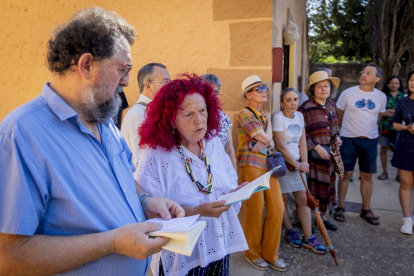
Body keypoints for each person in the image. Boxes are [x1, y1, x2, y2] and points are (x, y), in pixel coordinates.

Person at [0, 8, 185, 276]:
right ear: (87, 65)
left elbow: (123, 179)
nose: (125, 82)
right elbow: (8, 258)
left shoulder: (104, 121)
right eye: (123, 70)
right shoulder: (21, 135)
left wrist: (145, 200)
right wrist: (113, 243)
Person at [136, 74, 248, 276]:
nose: (199, 121)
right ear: (170, 119)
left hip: (219, 244)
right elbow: (149, 213)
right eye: (188, 115)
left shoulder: (212, 142)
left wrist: (233, 193)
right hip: (182, 257)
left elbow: (229, 178)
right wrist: (197, 210)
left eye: (203, 111)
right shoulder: (155, 155)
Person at [236, 75, 286, 271]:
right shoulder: (244, 114)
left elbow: (268, 138)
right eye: (258, 89)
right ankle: (253, 253)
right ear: (248, 94)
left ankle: (270, 254)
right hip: (252, 164)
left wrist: (267, 138)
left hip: (268, 164)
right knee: (256, 210)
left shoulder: (265, 114)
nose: (264, 90)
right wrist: (267, 138)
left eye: (264, 87)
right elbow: (266, 137)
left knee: (277, 209)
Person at [273, 87, 326, 255]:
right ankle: (289, 230)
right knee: (284, 197)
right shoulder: (278, 118)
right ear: (282, 103)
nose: (293, 103)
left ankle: (308, 237)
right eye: (288, 100)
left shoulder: (300, 116)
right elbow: (281, 146)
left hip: (299, 164)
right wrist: (296, 165)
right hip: (285, 164)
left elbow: (303, 142)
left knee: (302, 199)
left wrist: (305, 162)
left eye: (295, 99)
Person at [334, 63, 386, 225]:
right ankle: (340, 206)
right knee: (346, 174)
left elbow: (378, 118)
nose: (364, 75)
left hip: (370, 140)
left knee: (367, 176)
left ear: (376, 79)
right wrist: (345, 131)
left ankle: (365, 209)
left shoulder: (381, 97)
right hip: (348, 139)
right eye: (363, 72)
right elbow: (339, 115)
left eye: (369, 73)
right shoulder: (348, 93)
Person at [298, 71, 342, 231]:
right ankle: (312, 221)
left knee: (328, 188)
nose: (323, 89)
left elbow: (335, 128)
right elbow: (300, 133)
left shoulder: (332, 105)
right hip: (314, 157)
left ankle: (323, 219)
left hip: (330, 157)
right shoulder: (305, 108)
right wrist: (315, 146)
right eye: (319, 87)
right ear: (313, 90)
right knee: (313, 188)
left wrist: (337, 138)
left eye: (326, 86)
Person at [121, 63, 171, 169]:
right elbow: (143, 164)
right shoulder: (139, 116)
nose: (169, 87)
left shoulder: (152, 112)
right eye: (164, 82)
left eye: (169, 82)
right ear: (148, 85)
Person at [391, 70, 414, 235]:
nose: (413, 82)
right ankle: (407, 219)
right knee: (406, 183)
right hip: (406, 145)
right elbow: (395, 124)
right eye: (411, 79)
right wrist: (406, 127)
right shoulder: (403, 101)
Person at [200, 74, 237, 170]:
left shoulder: (223, 117)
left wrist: (235, 178)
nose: (212, 95)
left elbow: (229, 150)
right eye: (208, 91)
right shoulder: (193, 115)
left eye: (216, 92)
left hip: (221, 171)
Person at [378, 75, 405, 181]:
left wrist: (389, 111)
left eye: (396, 83)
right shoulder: (383, 96)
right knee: (384, 148)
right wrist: (396, 112)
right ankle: (384, 172)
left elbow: (404, 113)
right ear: (388, 84)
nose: (394, 85)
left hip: (399, 127)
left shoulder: (404, 97)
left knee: (398, 150)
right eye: (392, 83)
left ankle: (399, 174)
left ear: (399, 85)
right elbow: (381, 112)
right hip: (385, 126)